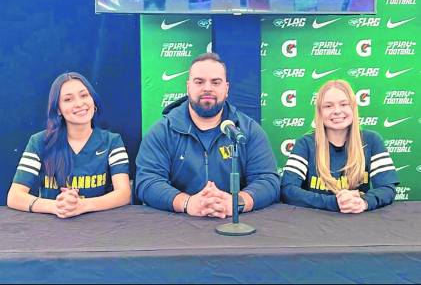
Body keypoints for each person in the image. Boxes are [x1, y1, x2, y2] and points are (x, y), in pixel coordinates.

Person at [135, 52, 280, 217]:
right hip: (176, 229)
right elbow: (147, 181)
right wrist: (187, 202)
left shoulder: (248, 130)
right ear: (188, 86)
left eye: (216, 82)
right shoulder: (162, 131)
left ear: (226, 88)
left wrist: (236, 202)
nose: (207, 88)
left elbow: (268, 180)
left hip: (233, 227)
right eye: (199, 82)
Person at [7, 72, 131, 218]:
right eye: (68, 99)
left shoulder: (112, 141)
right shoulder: (39, 142)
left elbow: (124, 194)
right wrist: (56, 206)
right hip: (49, 229)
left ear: (93, 100)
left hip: (99, 227)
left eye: (84, 95)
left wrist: (83, 205)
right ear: (58, 109)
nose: (79, 104)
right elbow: (14, 196)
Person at [281, 79, 399, 213]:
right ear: (319, 112)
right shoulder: (305, 144)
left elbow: (388, 188)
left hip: (359, 224)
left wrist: (364, 202)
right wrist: (334, 202)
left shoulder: (371, 140)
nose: (337, 111)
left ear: (353, 108)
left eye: (344, 104)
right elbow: (287, 190)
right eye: (328, 106)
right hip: (314, 223)